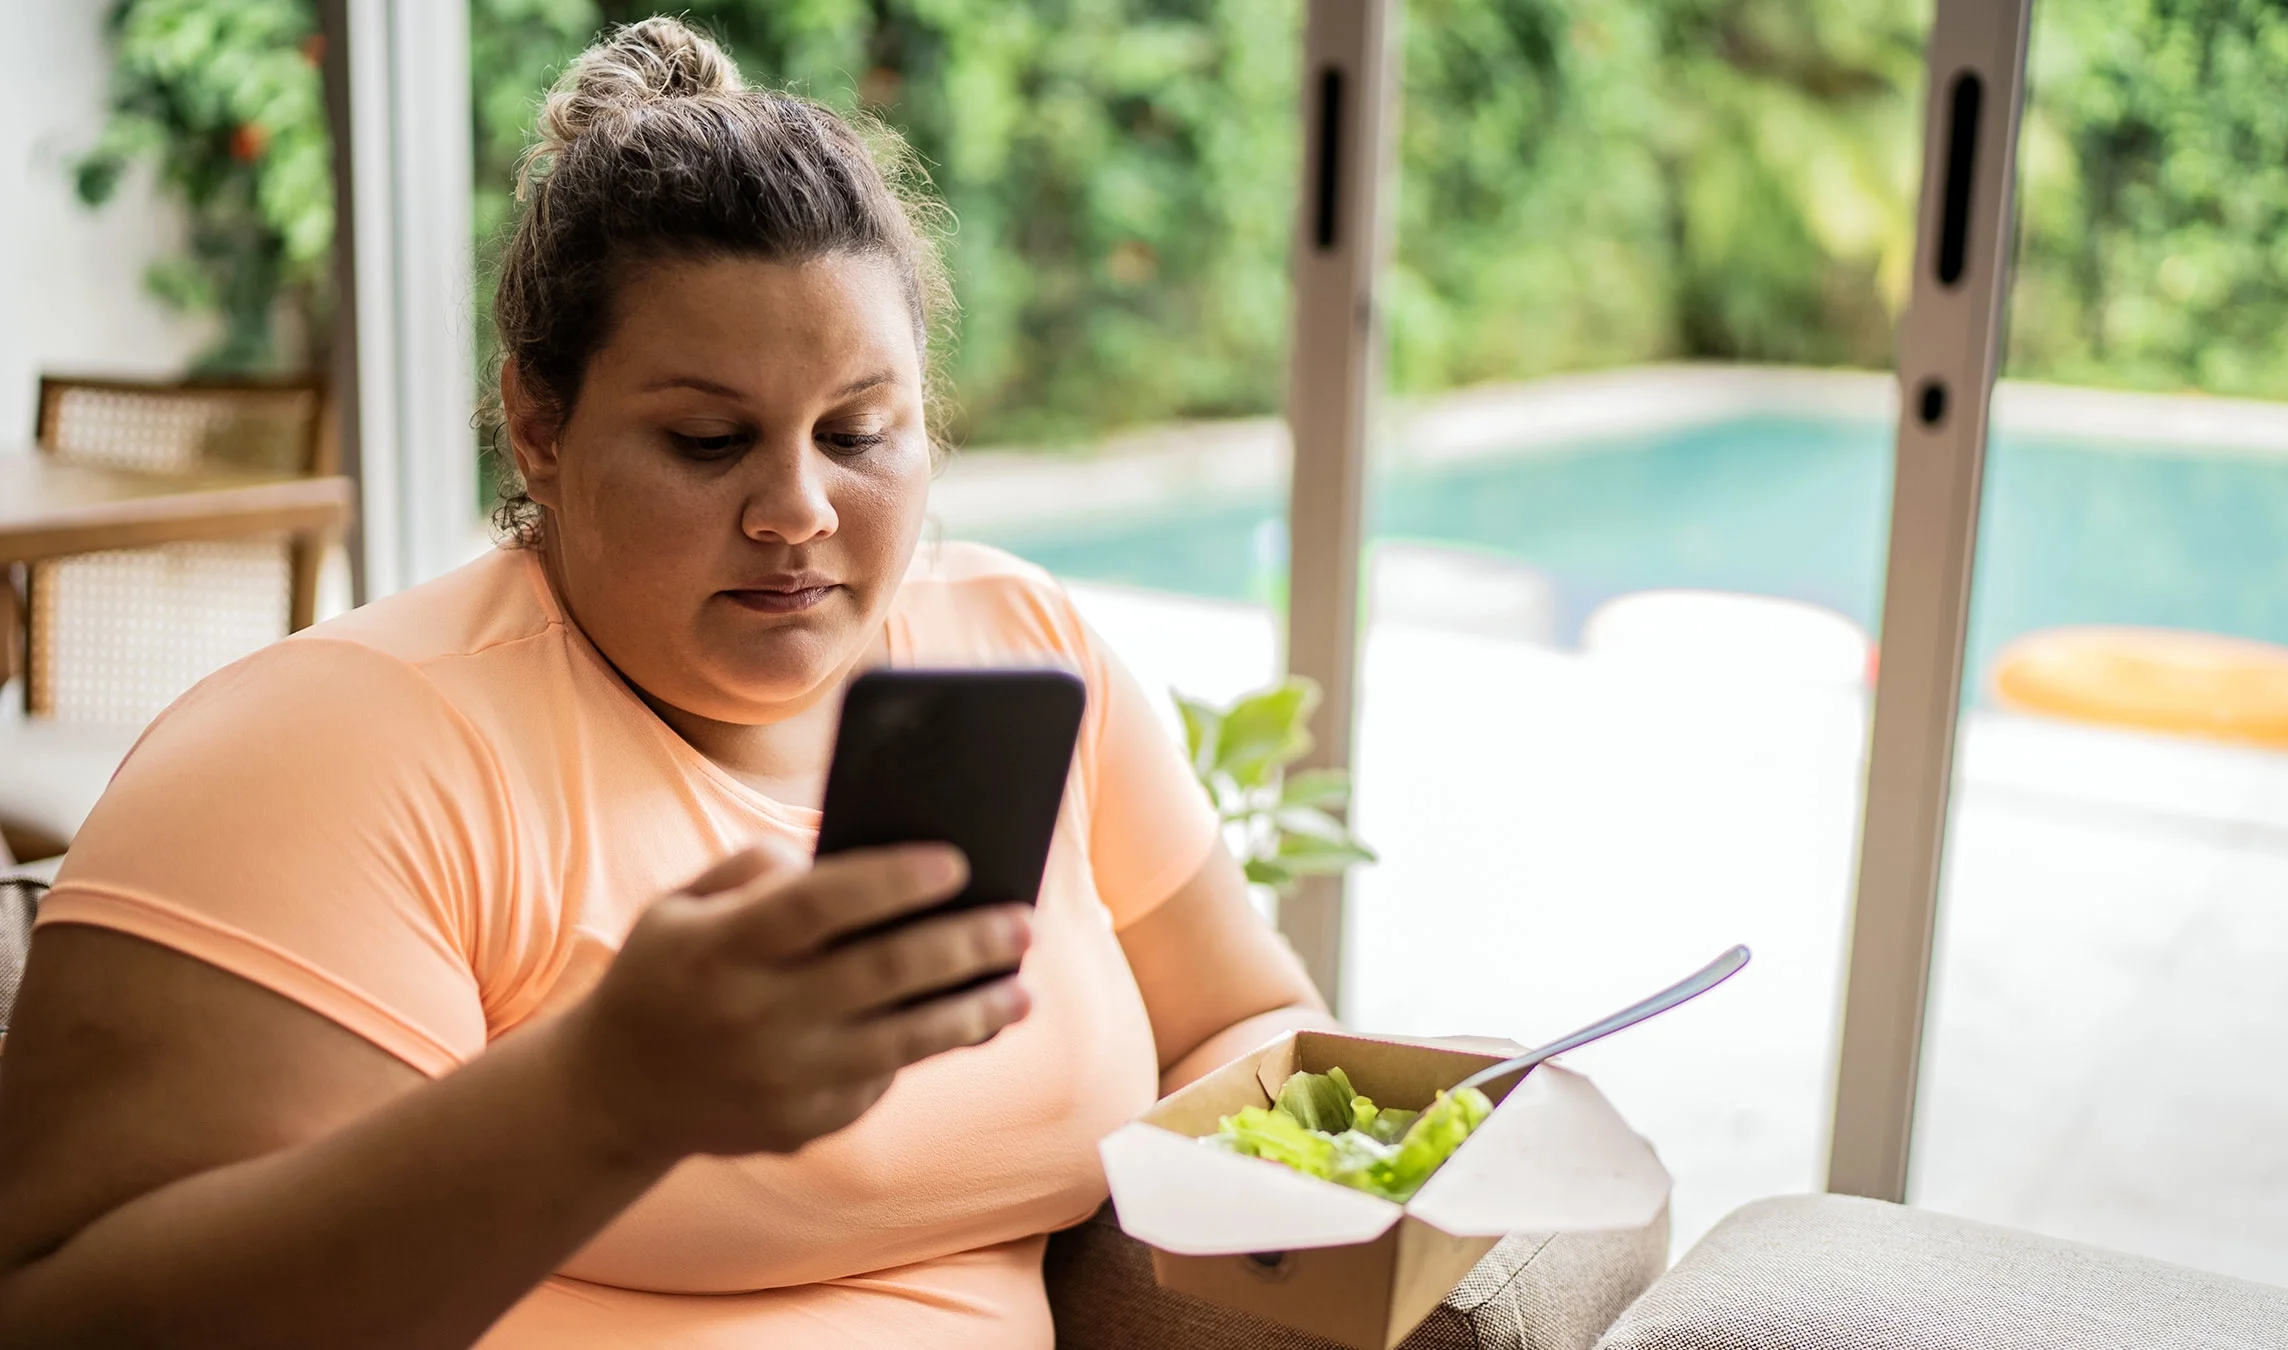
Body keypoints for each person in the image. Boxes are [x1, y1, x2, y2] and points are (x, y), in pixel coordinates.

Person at [0, 18, 1327, 1348]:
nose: (799, 508)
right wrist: (599, 1102)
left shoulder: (1015, 644)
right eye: (709, 440)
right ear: (541, 427)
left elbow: (1245, 1018)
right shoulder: (336, 750)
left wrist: (1301, 1198)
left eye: (859, 430)